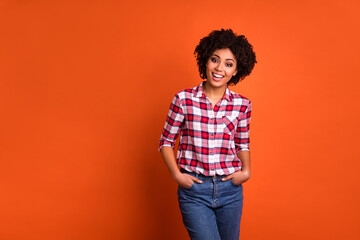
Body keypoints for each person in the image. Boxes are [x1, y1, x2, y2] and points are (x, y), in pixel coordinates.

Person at [158, 29, 257, 240]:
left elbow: (242, 144)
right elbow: (166, 141)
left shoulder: (242, 105)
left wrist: (246, 171)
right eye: (215, 60)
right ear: (206, 60)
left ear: (237, 70)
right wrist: (177, 175)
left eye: (229, 64)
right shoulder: (183, 99)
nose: (220, 68)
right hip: (194, 191)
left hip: (230, 190)